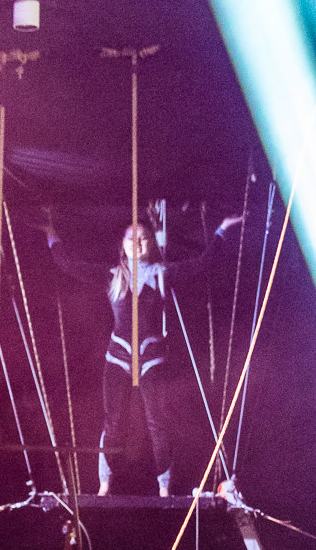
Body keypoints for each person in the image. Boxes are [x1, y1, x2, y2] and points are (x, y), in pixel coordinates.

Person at [48, 212, 241, 496]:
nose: (137, 244)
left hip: (151, 358)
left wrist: (222, 229)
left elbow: (203, 263)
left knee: (158, 423)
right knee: (114, 423)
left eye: (143, 239)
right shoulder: (113, 275)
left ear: (150, 243)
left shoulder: (162, 273)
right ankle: (104, 485)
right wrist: (51, 233)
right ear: (123, 245)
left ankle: (164, 489)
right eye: (131, 239)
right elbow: (68, 264)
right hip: (118, 357)